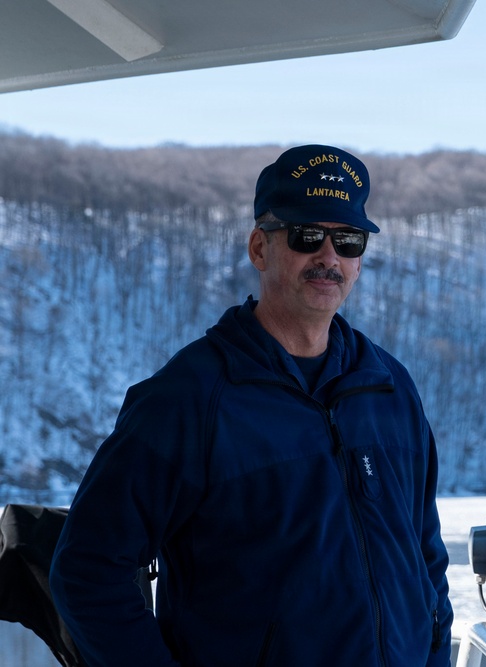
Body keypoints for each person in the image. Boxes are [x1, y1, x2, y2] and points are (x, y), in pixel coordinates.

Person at [49, 145, 453, 666]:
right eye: (308, 236)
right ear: (259, 248)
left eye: (348, 240)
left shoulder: (389, 388)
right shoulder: (189, 399)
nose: (329, 257)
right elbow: (87, 570)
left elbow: (425, 557)